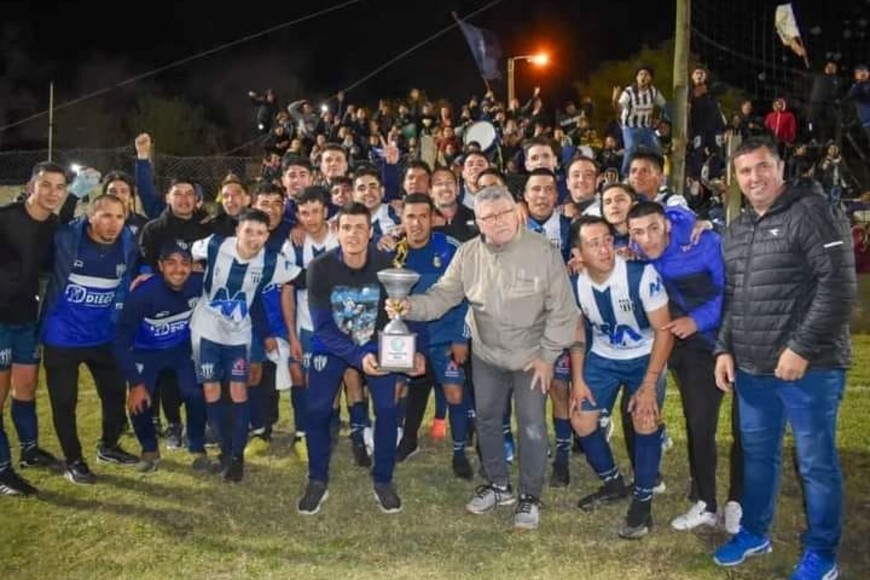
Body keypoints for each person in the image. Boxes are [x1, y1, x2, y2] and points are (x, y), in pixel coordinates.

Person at [389, 185, 578, 530]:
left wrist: (548, 356)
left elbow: (565, 311)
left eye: (505, 213)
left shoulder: (544, 252)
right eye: (489, 217)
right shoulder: (468, 254)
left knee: (532, 425)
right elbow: (443, 295)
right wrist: (409, 306)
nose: (499, 221)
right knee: (488, 421)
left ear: (516, 212)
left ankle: (530, 497)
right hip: (487, 355)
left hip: (531, 356)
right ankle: (498, 485)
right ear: (478, 222)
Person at [711, 137, 856, 580]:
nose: (754, 178)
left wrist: (801, 348)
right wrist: (723, 348)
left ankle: (823, 553)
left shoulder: (810, 212)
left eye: (762, 167)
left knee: (815, 462)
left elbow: (839, 287)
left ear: (780, 169)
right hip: (754, 371)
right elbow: (734, 297)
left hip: (809, 368)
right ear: (734, 179)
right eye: (745, 171)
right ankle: (755, 532)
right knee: (757, 455)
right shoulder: (736, 230)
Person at [296, 202, 426, 516]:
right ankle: (317, 479)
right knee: (315, 408)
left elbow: (402, 313)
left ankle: (382, 479)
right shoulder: (320, 268)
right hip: (333, 347)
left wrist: (414, 350)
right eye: (346, 227)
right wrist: (357, 355)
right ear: (337, 231)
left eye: (360, 228)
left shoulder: (386, 265)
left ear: (370, 232)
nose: (353, 234)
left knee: (386, 408)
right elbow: (323, 328)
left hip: (375, 347)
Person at [627, 202, 743, 534]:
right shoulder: (638, 248)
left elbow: (732, 291)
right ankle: (707, 501)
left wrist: (698, 319)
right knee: (699, 424)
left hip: (734, 337)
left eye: (652, 228)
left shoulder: (702, 241)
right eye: (637, 232)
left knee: (745, 428)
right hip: (692, 348)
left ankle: (739, 501)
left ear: (665, 224)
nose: (646, 239)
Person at [567, 216, 673, 540]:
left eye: (607, 240)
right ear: (577, 253)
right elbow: (577, 331)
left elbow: (664, 333)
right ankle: (613, 483)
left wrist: (649, 385)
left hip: (646, 356)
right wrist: (578, 378)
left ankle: (642, 503)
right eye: (593, 243)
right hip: (603, 357)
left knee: (644, 417)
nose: (604, 248)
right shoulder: (574, 283)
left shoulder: (641, 275)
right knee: (581, 420)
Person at [189, 209, 300, 482]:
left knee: (239, 390)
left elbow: (303, 276)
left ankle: (237, 457)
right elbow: (187, 252)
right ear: (237, 230)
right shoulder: (215, 244)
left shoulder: (272, 261)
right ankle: (225, 451)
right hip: (206, 329)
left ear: (267, 236)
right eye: (248, 231)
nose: (253, 238)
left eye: (260, 233)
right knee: (212, 389)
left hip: (239, 334)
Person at [40, 194, 141, 484]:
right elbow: (53, 224)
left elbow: (137, 267)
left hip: (102, 337)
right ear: (91, 217)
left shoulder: (126, 244)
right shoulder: (68, 239)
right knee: (64, 403)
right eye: (105, 216)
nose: (113, 224)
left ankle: (108, 447)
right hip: (62, 338)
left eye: (119, 217)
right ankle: (74, 461)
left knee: (113, 395)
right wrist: (72, 194)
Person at [389, 194, 472, 479]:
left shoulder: (450, 248)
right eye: (410, 216)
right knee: (401, 389)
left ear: (433, 218)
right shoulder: (394, 252)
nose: (417, 223)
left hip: (445, 335)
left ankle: (460, 451)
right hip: (408, 335)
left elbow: (466, 295)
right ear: (402, 219)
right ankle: (406, 440)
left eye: (423, 216)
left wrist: (461, 337)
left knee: (454, 391)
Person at [0, 162, 68, 495]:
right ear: (31, 186)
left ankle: (29, 452)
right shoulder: (6, 217)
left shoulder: (54, 225)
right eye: (46, 185)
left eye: (59, 186)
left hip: (27, 320)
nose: (52, 192)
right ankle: (2, 472)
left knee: (25, 388)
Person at [113, 241, 208, 473]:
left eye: (185, 263)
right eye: (171, 263)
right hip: (147, 353)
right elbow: (121, 341)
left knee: (195, 393)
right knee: (139, 401)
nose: (178, 269)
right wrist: (135, 383)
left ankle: (197, 445)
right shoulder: (142, 295)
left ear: (193, 266)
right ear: (160, 266)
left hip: (180, 350)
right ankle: (149, 448)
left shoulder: (198, 284)